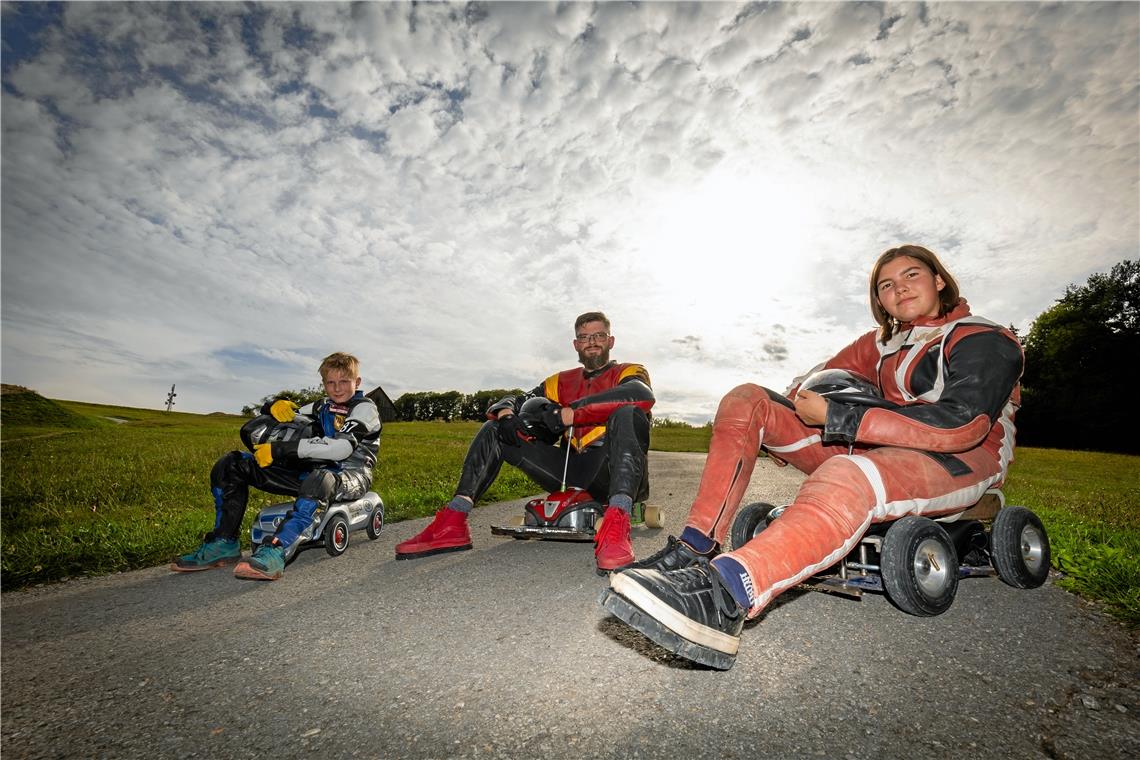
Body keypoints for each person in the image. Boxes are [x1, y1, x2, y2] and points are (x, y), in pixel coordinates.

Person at [603, 245, 1023, 668]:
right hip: (873, 443)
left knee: (847, 472)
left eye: (912, 275)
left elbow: (961, 425)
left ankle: (725, 596)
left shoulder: (983, 337)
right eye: (887, 285)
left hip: (961, 456)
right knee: (748, 400)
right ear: (879, 300)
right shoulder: (879, 343)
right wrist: (780, 423)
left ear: (938, 280)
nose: (900, 288)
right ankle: (693, 551)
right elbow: (811, 382)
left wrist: (842, 417)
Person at [395, 311, 655, 574]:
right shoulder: (559, 381)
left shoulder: (630, 371)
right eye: (584, 337)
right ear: (576, 345)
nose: (592, 342)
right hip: (569, 471)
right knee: (496, 427)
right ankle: (454, 520)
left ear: (610, 341)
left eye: (599, 335)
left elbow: (641, 395)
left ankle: (618, 521)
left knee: (628, 410)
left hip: (612, 471)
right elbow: (519, 399)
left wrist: (571, 413)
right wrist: (507, 412)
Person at [171, 352, 381, 581]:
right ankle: (223, 543)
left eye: (344, 382)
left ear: (357, 382)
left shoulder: (365, 409)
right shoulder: (321, 406)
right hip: (314, 471)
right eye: (330, 382)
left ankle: (276, 550)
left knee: (321, 478)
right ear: (323, 384)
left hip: (352, 475)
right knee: (232, 464)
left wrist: (281, 450)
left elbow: (341, 448)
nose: (337, 388)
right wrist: (272, 406)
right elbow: (290, 415)